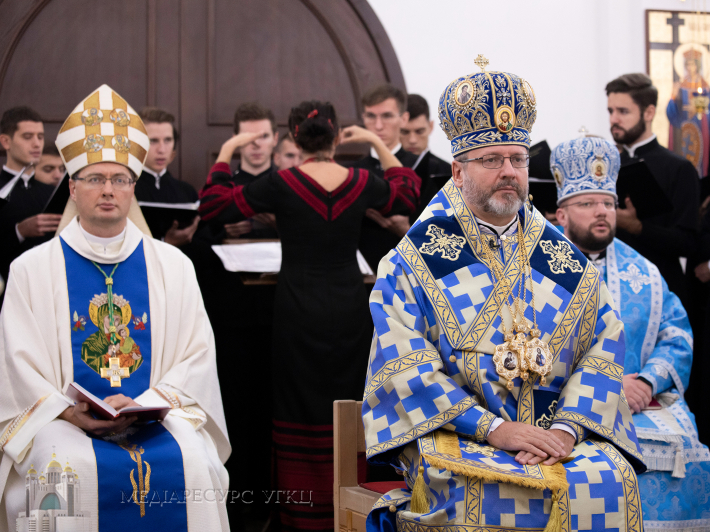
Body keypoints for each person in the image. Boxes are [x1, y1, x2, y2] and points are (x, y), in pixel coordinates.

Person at [363, 60, 645, 532]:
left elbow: (604, 343)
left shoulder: (563, 259)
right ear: (457, 170)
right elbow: (404, 365)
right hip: (457, 435)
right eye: (492, 160)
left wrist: (565, 429)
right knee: (485, 487)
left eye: (517, 159)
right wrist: (497, 429)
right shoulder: (412, 262)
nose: (509, 172)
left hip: (557, 435)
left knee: (610, 478)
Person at [0, 85, 230, 532]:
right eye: (95, 179)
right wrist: (66, 411)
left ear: (132, 188)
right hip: (61, 420)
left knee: (194, 462)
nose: (108, 190)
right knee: (59, 468)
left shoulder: (172, 266)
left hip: (153, 411)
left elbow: (196, 357)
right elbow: (17, 366)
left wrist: (147, 402)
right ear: (72, 187)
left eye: (120, 179)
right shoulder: (31, 268)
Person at [199, 100, 419, 531]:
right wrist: (374, 140)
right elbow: (407, 190)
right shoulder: (360, 180)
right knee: (349, 403)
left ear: (294, 138)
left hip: (297, 309)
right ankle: (352, 506)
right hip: (350, 306)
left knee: (298, 407)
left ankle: (300, 514)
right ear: (338, 136)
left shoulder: (281, 184)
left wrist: (227, 150)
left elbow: (213, 205)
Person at [553, 135, 710, 531]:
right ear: (561, 216)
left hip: (641, 402)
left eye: (607, 203)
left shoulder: (643, 271)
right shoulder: (537, 272)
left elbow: (677, 335)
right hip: (564, 408)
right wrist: (606, 386)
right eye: (587, 204)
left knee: (690, 452)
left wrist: (646, 380)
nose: (601, 212)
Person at [606, 73, 699, 310]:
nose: (614, 119)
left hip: (663, 287)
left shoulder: (679, 168)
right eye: (610, 111)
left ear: (648, 113)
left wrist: (637, 227)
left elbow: (689, 243)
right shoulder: (608, 165)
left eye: (623, 111)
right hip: (613, 287)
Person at [349, 84, 418, 269]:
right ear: (363, 118)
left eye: (387, 116)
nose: (378, 126)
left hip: (412, 274)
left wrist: (404, 230)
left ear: (404, 119)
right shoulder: (352, 172)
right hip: (360, 276)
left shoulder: (425, 166)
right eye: (371, 116)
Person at [0, 107, 61, 307]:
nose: (36, 144)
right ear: (6, 142)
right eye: (27, 137)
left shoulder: (52, 191)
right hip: (8, 292)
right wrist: (20, 231)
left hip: (50, 293)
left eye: (40, 137)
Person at [135, 107, 199, 246]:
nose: (162, 150)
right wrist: (165, 242)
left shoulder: (187, 192)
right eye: (153, 141)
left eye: (168, 140)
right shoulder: (127, 188)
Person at [401, 94, 451, 222]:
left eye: (419, 131)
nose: (412, 140)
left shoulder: (449, 173)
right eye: (405, 132)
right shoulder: (383, 170)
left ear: (431, 126)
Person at [666, 47, 710, 179]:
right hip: (684, 131)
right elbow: (671, 113)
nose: (690, 67)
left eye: (692, 64)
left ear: (698, 65)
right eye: (687, 64)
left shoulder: (705, 87)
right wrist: (673, 95)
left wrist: (699, 110)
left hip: (702, 129)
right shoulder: (681, 86)